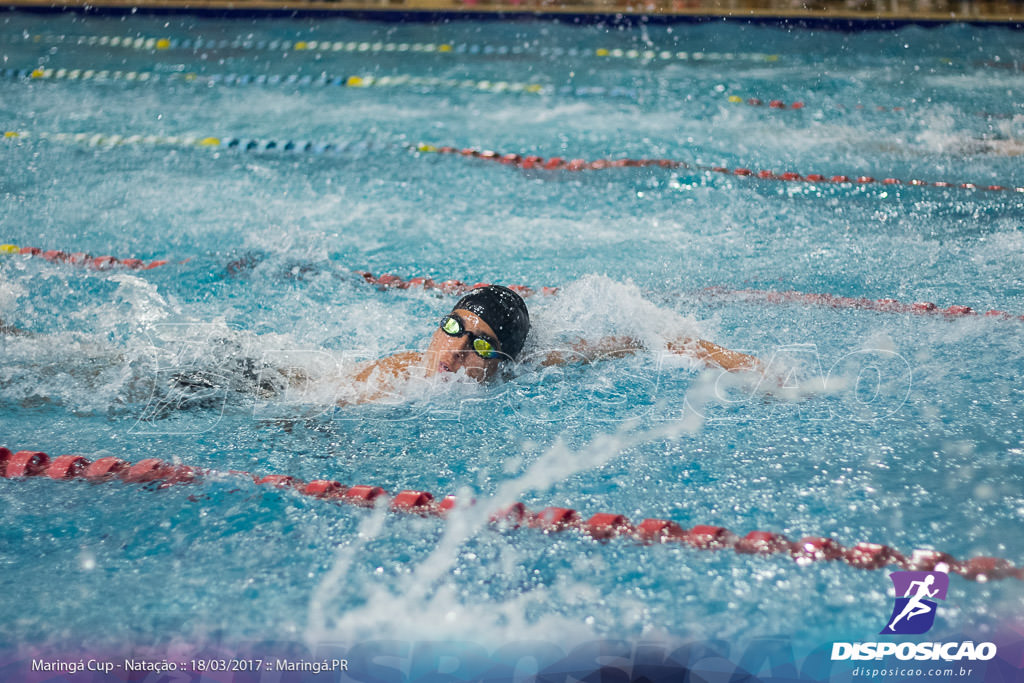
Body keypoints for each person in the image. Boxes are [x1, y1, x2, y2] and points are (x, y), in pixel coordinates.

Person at [342, 284, 762, 406]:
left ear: (505, 361)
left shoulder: (533, 369)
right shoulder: (395, 377)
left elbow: (638, 341)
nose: (454, 352)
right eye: (453, 327)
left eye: (482, 346)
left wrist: (727, 357)